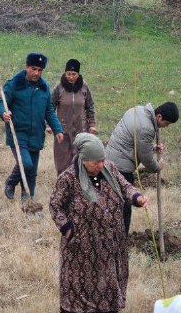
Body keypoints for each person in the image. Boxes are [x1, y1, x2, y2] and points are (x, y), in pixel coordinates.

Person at [50, 133, 148, 313]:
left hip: (110, 246)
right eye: (96, 162)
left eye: (102, 160)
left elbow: (125, 186)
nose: (100, 165)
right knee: (79, 293)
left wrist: (136, 197)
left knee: (109, 290)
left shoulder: (110, 168)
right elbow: (55, 205)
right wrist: (68, 229)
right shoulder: (68, 178)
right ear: (84, 159)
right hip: (81, 250)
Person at [0, 52, 64, 203]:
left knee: (32, 172)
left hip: (36, 135)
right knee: (25, 164)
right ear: (27, 67)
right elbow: (1, 102)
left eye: (40, 70)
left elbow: (49, 111)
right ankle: (11, 182)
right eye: (33, 69)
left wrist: (58, 129)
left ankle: (28, 201)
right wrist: (4, 113)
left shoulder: (44, 87)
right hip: (18, 133)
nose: (36, 73)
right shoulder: (14, 83)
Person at [105, 101, 178, 234]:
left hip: (110, 160)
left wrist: (152, 148)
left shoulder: (138, 110)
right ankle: (121, 239)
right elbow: (146, 160)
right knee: (124, 206)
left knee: (112, 202)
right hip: (121, 167)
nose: (166, 127)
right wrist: (157, 166)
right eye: (166, 124)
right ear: (159, 117)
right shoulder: (147, 128)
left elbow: (134, 141)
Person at [50, 59, 97, 176]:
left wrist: (91, 125)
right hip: (62, 130)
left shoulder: (84, 87)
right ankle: (62, 182)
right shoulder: (59, 87)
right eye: (68, 74)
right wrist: (50, 125)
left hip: (81, 129)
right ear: (65, 73)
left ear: (78, 74)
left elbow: (90, 106)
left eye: (74, 74)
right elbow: (50, 107)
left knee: (79, 159)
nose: (71, 77)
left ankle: (78, 184)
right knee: (62, 161)